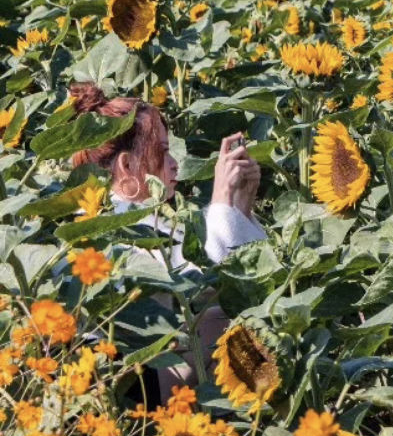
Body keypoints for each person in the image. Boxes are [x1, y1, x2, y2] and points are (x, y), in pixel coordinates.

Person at [68, 82, 266, 401]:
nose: (174, 163)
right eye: (162, 151)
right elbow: (196, 286)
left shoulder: (122, 216)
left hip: (143, 394)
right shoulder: (110, 225)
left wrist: (238, 206)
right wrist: (221, 201)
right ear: (128, 166)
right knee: (227, 319)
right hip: (134, 404)